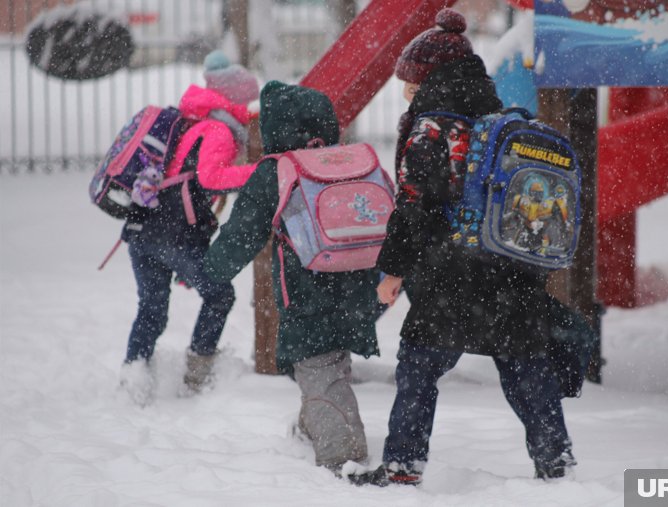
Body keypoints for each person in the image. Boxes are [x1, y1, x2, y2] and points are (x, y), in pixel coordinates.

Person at [376, 8, 579, 484]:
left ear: (428, 77)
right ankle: (558, 465)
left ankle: (403, 466)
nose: (407, 89)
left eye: (411, 81)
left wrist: (392, 271)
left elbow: (414, 205)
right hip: (508, 270)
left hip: (450, 272)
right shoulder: (497, 119)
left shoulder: (431, 129)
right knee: (527, 371)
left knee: (419, 369)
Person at [203, 81, 383, 482]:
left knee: (319, 363)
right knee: (332, 362)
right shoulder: (346, 159)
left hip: (307, 290)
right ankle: (310, 426)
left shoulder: (279, 169)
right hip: (357, 283)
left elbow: (242, 232)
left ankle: (343, 456)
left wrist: (210, 270)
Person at [119, 50, 261, 405]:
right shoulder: (219, 128)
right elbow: (211, 179)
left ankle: (133, 377)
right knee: (220, 295)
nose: (251, 107)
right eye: (248, 99)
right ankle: (196, 377)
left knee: (151, 310)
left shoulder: (192, 120)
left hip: (143, 229)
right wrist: (262, 171)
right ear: (236, 99)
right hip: (175, 234)